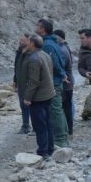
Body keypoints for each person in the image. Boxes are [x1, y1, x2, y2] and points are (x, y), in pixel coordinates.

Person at [17, 33, 55, 157]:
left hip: (38, 97)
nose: (25, 43)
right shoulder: (44, 55)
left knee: (40, 125)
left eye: (27, 41)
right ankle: (49, 148)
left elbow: (33, 81)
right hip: (48, 94)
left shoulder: (34, 58)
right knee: (47, 123)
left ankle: (43, 151)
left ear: (32, 43)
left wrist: (27, 97)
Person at [37, 19, 69, 147]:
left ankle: (61, 139)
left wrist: (61, 74)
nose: (36, 27)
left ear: (43, 29)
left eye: (38, 26)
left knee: (55, 110)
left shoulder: (47, 45)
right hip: (55, 80)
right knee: (58, 109)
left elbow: (53, 63)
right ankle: (63, 135)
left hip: (53, 82)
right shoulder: (51, 42)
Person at [56, 29, 76, 135]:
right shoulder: (65, 47)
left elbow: (60, 67)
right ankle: (68, 130)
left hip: (65, 84)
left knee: (66, 108)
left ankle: (68, 131)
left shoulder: (62, 50)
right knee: (67, 107)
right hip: (68, 83)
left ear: (59, 37)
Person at [12, 38, 32, 135]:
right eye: (20, 40)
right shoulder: (19, 53)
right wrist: (15, 80)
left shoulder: (30, 54)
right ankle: (25, 125)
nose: (20, 41)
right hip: (21, 84)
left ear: (29, 41)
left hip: (28, 84)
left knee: (31, 106)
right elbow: (16, 67)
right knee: (23, 105)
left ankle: (34, 127)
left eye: (22, 40)